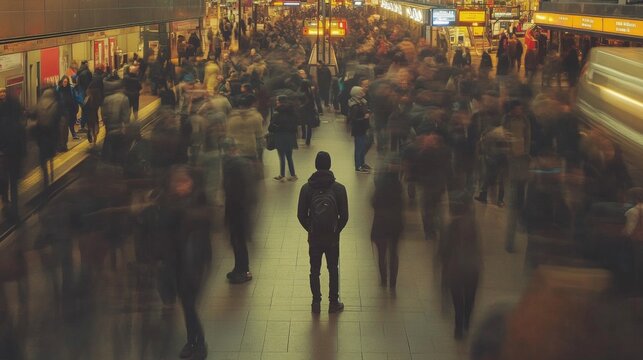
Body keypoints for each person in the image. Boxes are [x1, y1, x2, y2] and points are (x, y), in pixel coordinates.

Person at [157, 166, 211, 359]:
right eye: (176, 183)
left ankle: (198, 343)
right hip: (178, 263)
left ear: (191, 183)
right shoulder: (170, 202)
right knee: (187, 306)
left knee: (189, 305)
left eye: (183, 182)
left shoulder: (195, 202)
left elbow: (200, 225)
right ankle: (192, 342)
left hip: (193, 265)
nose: (179, 186)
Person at [297, 151, 349, 314]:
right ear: (330, 165)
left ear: (316, 165)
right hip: (332, 237)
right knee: (333, 268)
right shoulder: (339, 188)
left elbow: (300, 214)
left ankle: (316, 303)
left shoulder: (306, 188)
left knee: (315, 270)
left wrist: (311, 228)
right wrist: (335, 229)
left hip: (315, 237)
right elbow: (345, 216)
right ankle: (333, 303)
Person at [439, 193, 481, 340]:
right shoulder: (473, 225)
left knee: (458, 300)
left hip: (455, 269)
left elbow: (443, 251)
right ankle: (466, 323)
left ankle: (458, 327)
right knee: (470, 298)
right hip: (472, 268)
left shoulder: (449, 228)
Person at [223, 140, 257, 284]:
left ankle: (243, 270)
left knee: (238, 241)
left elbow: (236, 189)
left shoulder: (236, 165)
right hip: (239, 208)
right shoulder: (240, 164)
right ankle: (240, 268)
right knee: (237, 241)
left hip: (237, 208)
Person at [371, 157, 404, 290]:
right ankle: (393, 282)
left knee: (381, 253)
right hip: (395, 223)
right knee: (394, 252)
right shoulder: (398, 187)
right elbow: (402, 205)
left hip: (380, 222)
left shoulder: (379, 187)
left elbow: (373, 203)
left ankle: (384, 278)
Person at [0, 87, 26, 221]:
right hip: (15, 156)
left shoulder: (3, 119)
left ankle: (5, 203)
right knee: (14, 184)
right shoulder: (18, 122)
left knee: (4, 180)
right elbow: (22, 139)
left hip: (4, 155)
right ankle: (15, 210)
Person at [269, 95, 298, 182]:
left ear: (279, 102)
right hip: (290, 136)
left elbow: (271, 127)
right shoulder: (292, 111)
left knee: (281, 156)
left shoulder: (277, 113)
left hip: (280, 135)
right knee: (289, 156)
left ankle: (282, 175)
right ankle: (293, 175)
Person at [348, 86, 371, 173]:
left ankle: (362, 163)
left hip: (362, 127)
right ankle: (358, 165)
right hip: (358, 128)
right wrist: (364, 117)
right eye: (361, 91)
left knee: (362, 146)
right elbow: (353, 119)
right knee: (359, 147)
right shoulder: (354, 105)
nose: (363, 92)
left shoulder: (362, 102)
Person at [56, 75, 80, 148]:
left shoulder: (71, 89)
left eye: (66, 82)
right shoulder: (58, 89)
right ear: (62, 81)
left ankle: (73, 134)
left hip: (70, 109)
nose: (65, 83)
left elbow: (76, 97)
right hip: (62, 110)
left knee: (71, 122)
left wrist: (79, 104)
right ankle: (63, 142)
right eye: (64, 82)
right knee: (64, 125)